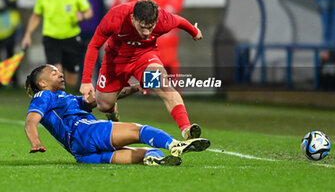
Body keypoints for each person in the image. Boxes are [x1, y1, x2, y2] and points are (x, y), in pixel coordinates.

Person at [24, 64, 210, 165]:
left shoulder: (65, 99)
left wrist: (134, 88)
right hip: (85, 132)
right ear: (42, 84)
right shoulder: (44, 95)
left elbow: (104, 98)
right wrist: (36, 143)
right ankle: (175, 145)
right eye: (53, 72)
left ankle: (154, 159)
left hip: (81, 153)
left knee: (148, 152)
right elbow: (31, 122)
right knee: (139, 130)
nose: (60, 74)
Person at [80, 0, 203, 140]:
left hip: (144, 56)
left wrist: (194, 32)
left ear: (156, 21)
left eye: (150, 28)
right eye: (142, 27)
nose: (146, 33)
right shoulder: (116, 17)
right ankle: (117, 105)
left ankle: (187, 130)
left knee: (163, 85)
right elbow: (94, 45)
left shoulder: (164, 19)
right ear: (133, 18)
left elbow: (179, 21)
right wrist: (86, 81)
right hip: (115, 60)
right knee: (103, 105)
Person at [21, 0, 93, 89]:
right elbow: (36, 15)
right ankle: (58, 103)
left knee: (71, 78)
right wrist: (27, 35)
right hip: (51, 38)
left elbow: (88, 12)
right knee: (56, 72)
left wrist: (82, 16)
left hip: (71, 37)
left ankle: (66, 98)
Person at [151, 0, 187, 78]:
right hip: (157, 35)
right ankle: (149, 90)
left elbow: (171, 9)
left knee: (169, 64)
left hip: (169, 34)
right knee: (152, 61)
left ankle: (175, 89)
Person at [77, 0, 105, 84]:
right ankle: (81, 81)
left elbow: (101, 8)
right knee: (81, 56)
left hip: (94, 29)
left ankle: (99, 81)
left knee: (96, 57)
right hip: (80, 29)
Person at [0, 0, 20, 86]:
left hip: (10, 31)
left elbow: (12, 4)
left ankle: (14, 82)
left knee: (11, 57)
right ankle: (1, 82)